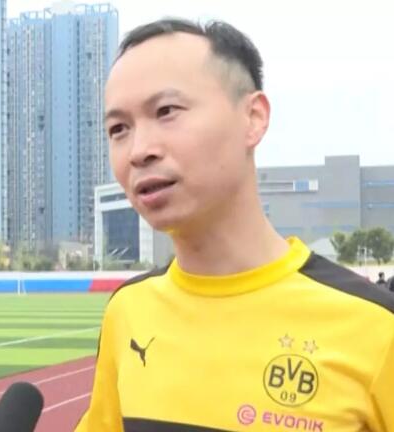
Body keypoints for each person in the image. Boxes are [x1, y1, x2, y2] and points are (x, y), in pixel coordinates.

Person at [75, 18, 393, 432]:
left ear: (253, 118)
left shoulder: (376, 327)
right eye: (119, 129)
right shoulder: (127, 312)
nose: (139, 150)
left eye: (166, 111)